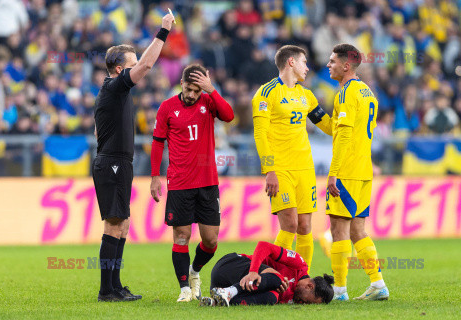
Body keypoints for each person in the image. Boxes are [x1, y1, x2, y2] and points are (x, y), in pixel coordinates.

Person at [92, 11, 174, 302]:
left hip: (118, 162)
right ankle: (106, 290)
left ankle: (115, 285)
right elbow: (149, 64)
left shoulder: (115, 93)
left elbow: (98, 131)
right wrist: (163, 31)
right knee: (113, 224)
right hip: (112, 162)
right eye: (132, 62)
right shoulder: (114, 87)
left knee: (122, 223)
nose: (137, 65)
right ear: (118, 69)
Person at [150, 64, 234, 302]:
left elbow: (229, 116)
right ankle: (185, 289)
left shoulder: (208, 102)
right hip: (179, 182)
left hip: (207, 182)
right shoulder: (167, 107)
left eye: (198, 91)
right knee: (181, 236)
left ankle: (194, 270)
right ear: (181, 84)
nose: (192, 95)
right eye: (189, 89)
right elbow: (157, 143)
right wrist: (155, 176)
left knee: (211, 240)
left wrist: (212, 90)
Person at [251, 45, 332, 272]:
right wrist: (269, 170)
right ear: (291, 62)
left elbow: (325, 124)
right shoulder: (266, 94)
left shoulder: (306, 94)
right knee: (290, 224)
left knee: (305, 226)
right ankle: (269, 275)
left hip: (305, 168)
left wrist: (347, 126)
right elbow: (260, 134)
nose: (307, 67)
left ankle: (301, 277)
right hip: (281, 169)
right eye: (304, 62)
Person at [325, 43, 389, 301]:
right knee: (358, 231)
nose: (328, 65)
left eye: (332, 61)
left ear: (345, 65)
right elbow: (338, 129)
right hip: (364, 170)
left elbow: (344, 136)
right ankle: (378, 284)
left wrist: (333, 173)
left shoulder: (345, 92)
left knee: (339, 230)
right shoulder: (367, 92)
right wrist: (316, 114)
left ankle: (339, 291)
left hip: (347, 171)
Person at [200, 241, 334, 306]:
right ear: (309, 286)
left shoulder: (290, 298)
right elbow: (264, 245)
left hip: (220, 285)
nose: (303, 304)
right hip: (230, 266)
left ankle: (218, 301)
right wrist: (253, 272)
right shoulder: (299, 264)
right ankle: (229, 292)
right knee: (278, 279)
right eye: (307, 302)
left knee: (272, 297)